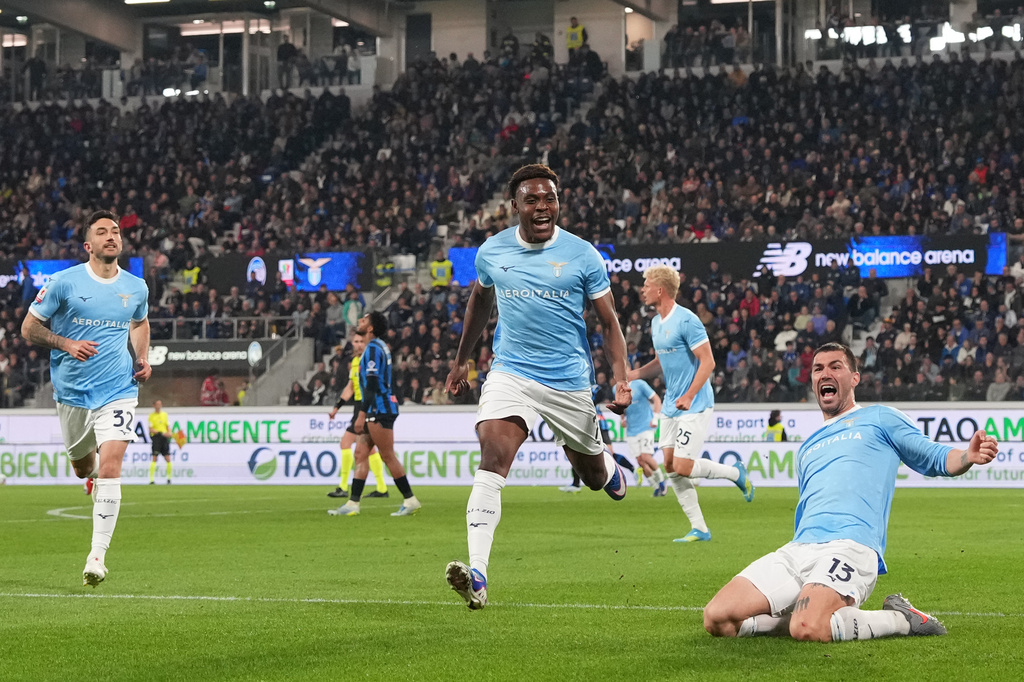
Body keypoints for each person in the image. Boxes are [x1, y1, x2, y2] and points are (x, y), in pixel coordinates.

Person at [703, 343, 999, 642]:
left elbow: (933, 456)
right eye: (818, 368)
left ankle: (902, 618)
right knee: (718, 618)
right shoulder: (807, 447)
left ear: (854, 378)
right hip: (799, 549)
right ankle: (808, 611)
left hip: (850, 546)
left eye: (835, 366)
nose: (825, 373)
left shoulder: (880, 418)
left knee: (807, 628)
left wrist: (967, 456)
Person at [442, 164, 632, 610]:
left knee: (590, 476)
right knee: (492, 458)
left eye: (549, 199)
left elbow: (609, 322)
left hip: (569, 381)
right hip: (511, 373)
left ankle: (605, 465)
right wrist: (462, 359)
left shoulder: (583, 254)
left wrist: (621, 377)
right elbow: (480, 301)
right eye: (532, 200)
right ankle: (479, 575)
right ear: (516, 206)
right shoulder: (492, 251)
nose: (542, 207)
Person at [22, 210, 151, 587]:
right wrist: (66, 343)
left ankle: (97, 556)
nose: (111, 236)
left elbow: (140, 322)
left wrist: (141, 356)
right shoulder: (63, 283)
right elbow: (29, 327)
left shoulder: (136, 287)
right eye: (102, 232)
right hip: (72, 393)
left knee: (112, 466)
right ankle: (89, 478)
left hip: (119, 390)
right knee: (85, 467)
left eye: (115, 231)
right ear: (88, 245)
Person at [628, 265, 754, 543]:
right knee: (671, 466)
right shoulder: (655, 323)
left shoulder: (687, 320)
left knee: (683, 467)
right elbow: (662, 362)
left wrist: (689, 395)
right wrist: (634, 374)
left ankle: (735, 473)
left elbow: (708, 362)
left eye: (647, 284)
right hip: (673, 404)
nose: (643, 289)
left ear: (660, 289)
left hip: (695, 403)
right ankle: (700, 528)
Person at [329, 312, 421, 517]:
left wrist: (361, 414)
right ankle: (353, 503)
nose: (360, 321)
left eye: (364, 320)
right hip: (376, 408)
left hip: (379, 409)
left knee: (387, 455)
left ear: (370, 328)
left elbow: (371, 384)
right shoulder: (379, 347)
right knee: (360, 454)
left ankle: (410, 499)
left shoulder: (371, 350)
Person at [326, 331, 389, 500]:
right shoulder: (355, 362)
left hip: (367, 407)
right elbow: (351, 387)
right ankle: (382, 488)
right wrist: (337, 408)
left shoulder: (369, 360)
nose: (359, 344)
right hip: (358, 408)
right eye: (356, 341)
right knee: (369, 449)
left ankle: (343, 486)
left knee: (346, 443)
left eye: (362, 341)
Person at [623, 377, 668, 496]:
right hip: (631, 430)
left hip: (646, 426)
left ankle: (662, 481)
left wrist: (656, 418)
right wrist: (623, 418)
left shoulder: (640, 384)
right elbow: (622, 408)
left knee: (646, 456)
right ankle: (656, 486)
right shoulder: (616, 389)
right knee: (640, 461)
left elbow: (657, 400)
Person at [148, 400, 173, 485]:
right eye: (157, 404)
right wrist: (160, 432)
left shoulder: (164, 414)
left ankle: (169, 479)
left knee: (168, 458)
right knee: (155, 457)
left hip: (164, 438)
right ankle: (151, 479)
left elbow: (167, 426)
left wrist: (169, 432)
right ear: (154, 405)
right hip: (157, 438)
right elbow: (151, 429)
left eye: (160, 404)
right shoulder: (151, 416)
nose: (159, 406)